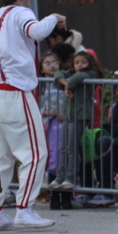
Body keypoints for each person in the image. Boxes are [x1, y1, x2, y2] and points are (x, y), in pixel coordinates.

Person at [0, 0, 65, 231]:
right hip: (15, 92)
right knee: (36, 153)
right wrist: (55, 18)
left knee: (0, 156)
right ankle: (23, 209)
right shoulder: (20, 13)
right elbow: (37, 31)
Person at [50, 51, 103, 190]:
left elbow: (78, 78)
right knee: (64, 148)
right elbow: (58, 74)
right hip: (68, 115)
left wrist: (68, 85)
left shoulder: (91, 73)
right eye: (77, 62)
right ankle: (60, 176)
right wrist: (66, 84)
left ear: (89, 63)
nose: (80, 65)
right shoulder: (71, 74)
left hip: (80, 115)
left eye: (83, 62)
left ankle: (71, 177)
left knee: (72, 148)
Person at [38, 52, 67, 209]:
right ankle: (53, 195)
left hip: (63, 125)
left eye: (55, 62)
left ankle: (67, 196)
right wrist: (47, 112)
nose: (52, 66)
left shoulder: (63, 83)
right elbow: (35, 104)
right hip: (47, 126)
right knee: (52, 157)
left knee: (64, 156)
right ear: (42, 69)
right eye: (47, 63)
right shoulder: (39, 85)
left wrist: (65, 113)